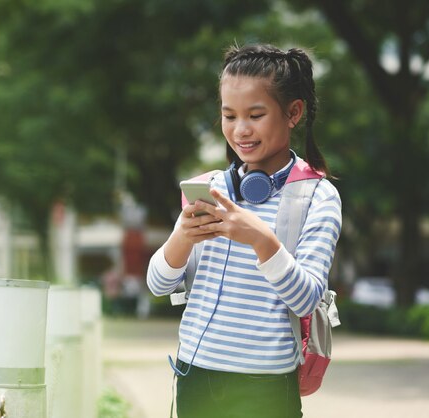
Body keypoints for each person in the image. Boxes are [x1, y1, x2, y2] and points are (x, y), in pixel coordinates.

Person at [146, 43, 342, 418]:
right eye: (229, 116)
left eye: (255, 114)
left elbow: (305, 300)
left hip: (265, 385)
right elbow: (157, 285)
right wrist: (182, 238)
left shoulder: (317, 197)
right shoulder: (208, 189)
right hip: (195, 375)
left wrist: (259, 238)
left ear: (293, 113)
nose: (240, 130)